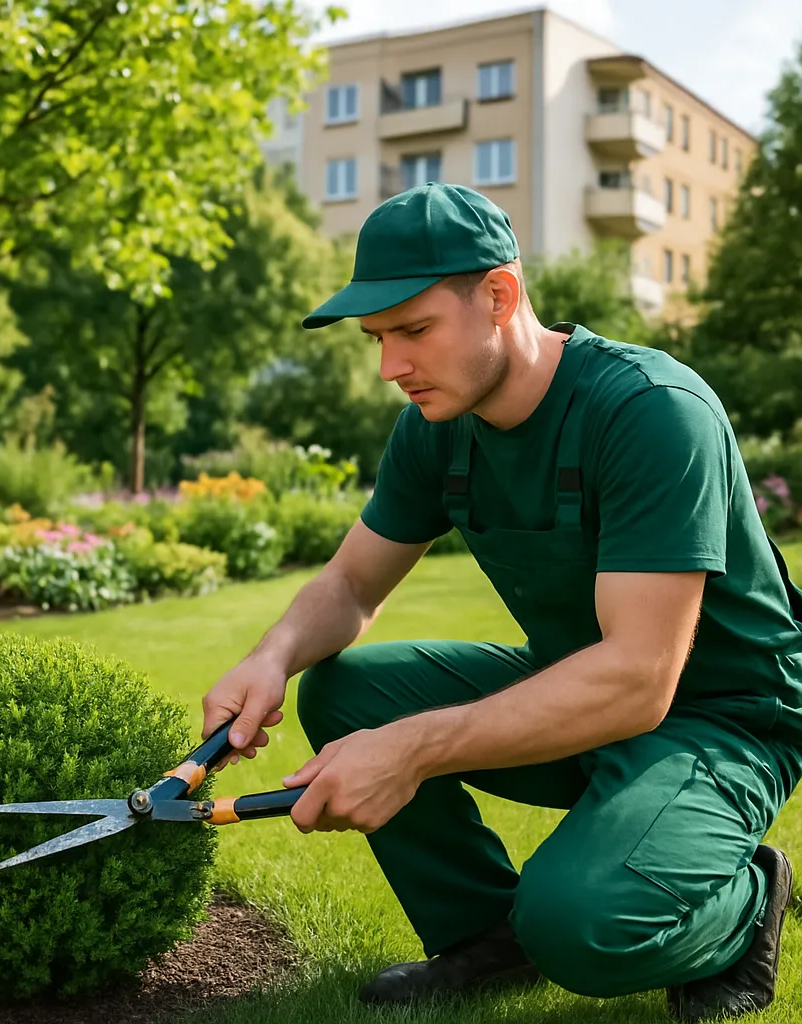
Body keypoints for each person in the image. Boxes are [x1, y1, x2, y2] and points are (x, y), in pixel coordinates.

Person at [199, 182, 802, 1021]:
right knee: (343, 690)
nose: (390, 367)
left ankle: (747, 902)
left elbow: (639, 677)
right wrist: (268, 659)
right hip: (575, 685)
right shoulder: (435, 427)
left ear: (499, 295)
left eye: (413, 330)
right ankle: (488, 935)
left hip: (721, 716)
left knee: (583, 923)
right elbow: (348, 584)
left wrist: (412, 750)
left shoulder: (650, 411)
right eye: (377, 338)